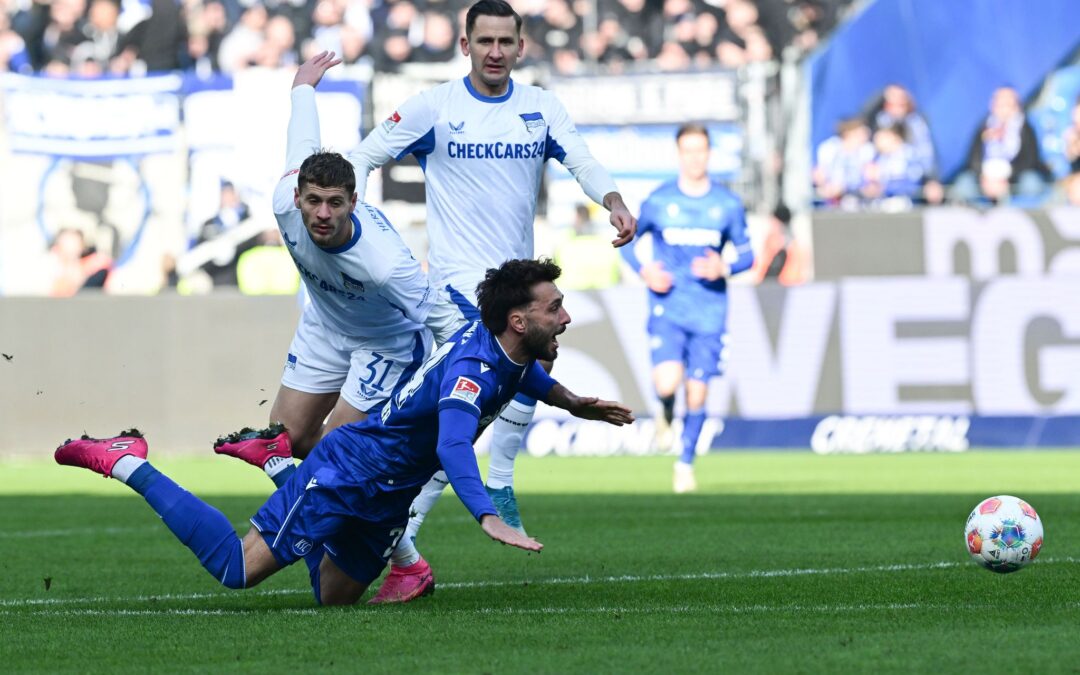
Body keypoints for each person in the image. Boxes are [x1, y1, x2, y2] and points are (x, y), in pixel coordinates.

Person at [54, 258, 635, 606]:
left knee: (333, 597)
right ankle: (127, 460)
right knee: (236, 569)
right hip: (349, 469)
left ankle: (277, 463)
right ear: (519, 320)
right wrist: (487, 515)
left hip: (390, 493)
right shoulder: (471, 374)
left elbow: (523, 374)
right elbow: (452, 444)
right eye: (555, 308)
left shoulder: (505, 350)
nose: (566, 316)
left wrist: (572, 403)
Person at [346, 0, 637, 601]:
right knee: (475, 406)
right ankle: (448, 513)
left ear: (521, 46)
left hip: (518, 287)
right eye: (485, 41)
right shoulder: (434, 107)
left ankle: (414, 536)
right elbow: (364, 158)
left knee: (485, 401)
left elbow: (581, 159)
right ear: (466, 46)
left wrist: (611, 199)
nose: (496, 52)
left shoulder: (540, 108)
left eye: (506, 41)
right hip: (458, 290)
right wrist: (358, 236)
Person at [213, 52, 467, 490]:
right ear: (297, 197)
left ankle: (376, 518)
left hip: (386, 343)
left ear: (354, 202)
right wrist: (302, 88)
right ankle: (374, 478)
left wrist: (471, 390)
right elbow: (302, 139)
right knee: (287, 440)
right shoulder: (283, 203)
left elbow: (448, 325)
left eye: (335, 203)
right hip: (325, 324)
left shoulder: (385, 263)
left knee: (335, 454)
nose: (323, 214)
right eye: (313, 201)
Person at [619, 123, 754, 494]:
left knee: (697, 393)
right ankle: (664, 409)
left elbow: (748, 256)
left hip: (709, 311)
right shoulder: (660, 200)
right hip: (669, 306)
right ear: (679, 154)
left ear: (709, 154)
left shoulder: (727, 204)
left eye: (701, 150)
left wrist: (724, 267)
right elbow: (627, 240)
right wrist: (645, 270)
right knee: (667, 382)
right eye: (688, 150)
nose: (695, 158)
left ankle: (685, 464)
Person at [950, 86, 1051, 205]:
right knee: (963, 185)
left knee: (1031, 183)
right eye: (1000, 103)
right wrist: (984, 176)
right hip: (985, 179)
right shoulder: (984, 125)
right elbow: (973, 157)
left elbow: (1030, 159)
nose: (1003, 108)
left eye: (1008, 103)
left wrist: (1006, 176)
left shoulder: (1025, 128)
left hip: (1014, 178)